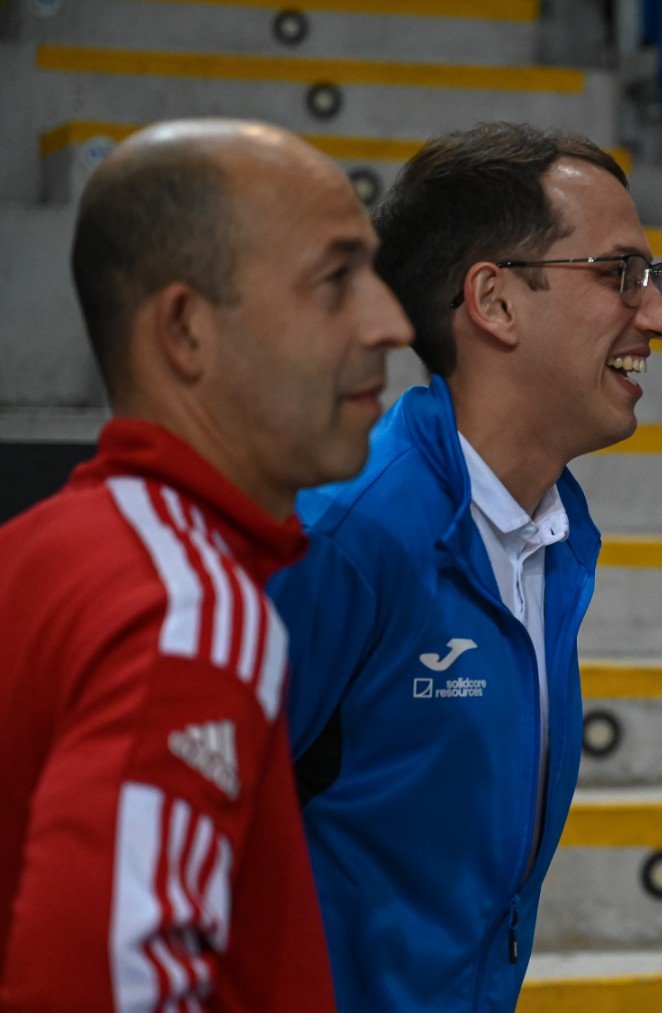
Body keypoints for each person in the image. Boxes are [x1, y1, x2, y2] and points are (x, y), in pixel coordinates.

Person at [0, 119, 411, 1008]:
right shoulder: (189, 611)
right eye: (336, 279)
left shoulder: (37, 549)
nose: (390, 322)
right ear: (186, 329)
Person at [267, 122, 662, 1010]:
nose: (659, 315)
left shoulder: (559, 529)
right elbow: (178, 843)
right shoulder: (347, 529)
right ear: (493, 302)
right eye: (619, 274)